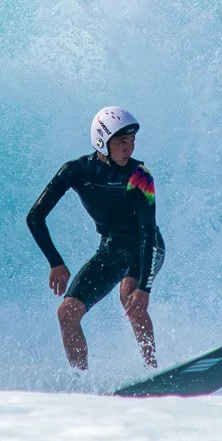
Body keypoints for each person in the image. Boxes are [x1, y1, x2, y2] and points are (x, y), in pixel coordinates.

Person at [27, 106, 163, 370]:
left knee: (129, 295)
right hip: (111, 251)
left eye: (132, 141)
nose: (129, 148)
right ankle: (83, 384)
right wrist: (55, 262)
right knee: (67, 314)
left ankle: (154, 371)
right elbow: (35, 217)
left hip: (145, 246)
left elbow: (147, 232)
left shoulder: (140, 176)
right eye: (122, 142)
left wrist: (144, 289)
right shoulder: (76, 171)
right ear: (103, 141)